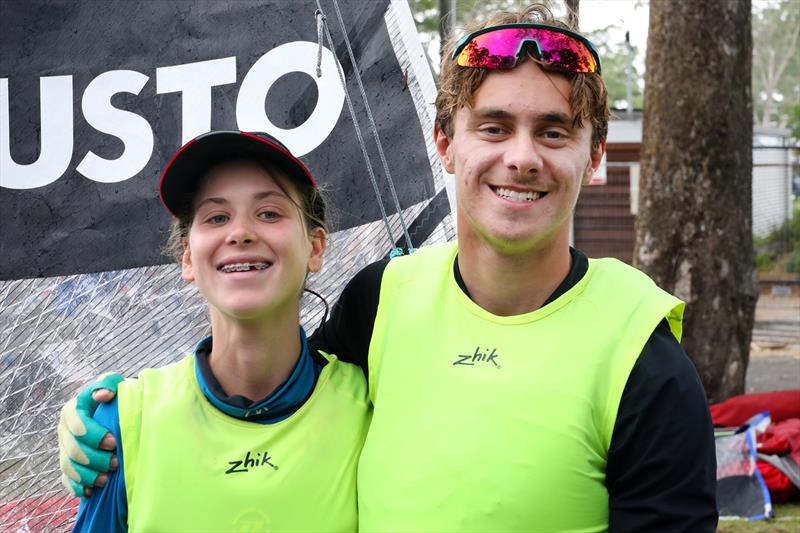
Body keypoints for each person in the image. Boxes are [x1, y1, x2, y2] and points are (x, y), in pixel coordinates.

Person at [59, 5, 717, 531]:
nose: (521, 156)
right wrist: (108, 420)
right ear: (445, 145)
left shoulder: (642, 358)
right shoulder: (382, 300)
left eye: (553, 131)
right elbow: (274, 402)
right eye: (493, 127)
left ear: (593, 155)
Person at [66, 130, 370, 532]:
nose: (240, 232)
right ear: (188, 258)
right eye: (217, 217)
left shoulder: (370, 404)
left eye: (269, 213)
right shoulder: (125, 419)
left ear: (315, 247)